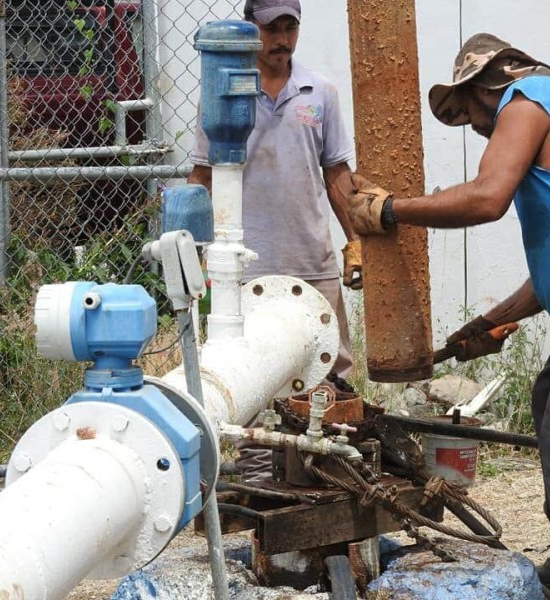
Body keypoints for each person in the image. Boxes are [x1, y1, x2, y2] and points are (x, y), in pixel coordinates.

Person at [345, 33, 550, 600]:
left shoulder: (526, 102)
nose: (478, 131)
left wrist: (390, 210)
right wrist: (489, 324)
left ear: (489, 84)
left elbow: (486, 197)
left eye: (471, 115)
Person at [189, 0, 360, 480]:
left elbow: (338, 175)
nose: (282, 39)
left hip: (311, 258)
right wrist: (197, 250)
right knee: (250, 375)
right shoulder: (223, 92)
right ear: (250, 29)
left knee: (330, 369)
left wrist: (356, 242)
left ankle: (327, 478)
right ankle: (261, 486)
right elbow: (202, 177)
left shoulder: (319, 92)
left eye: (290, 27)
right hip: (250, 266)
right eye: (271, 29)